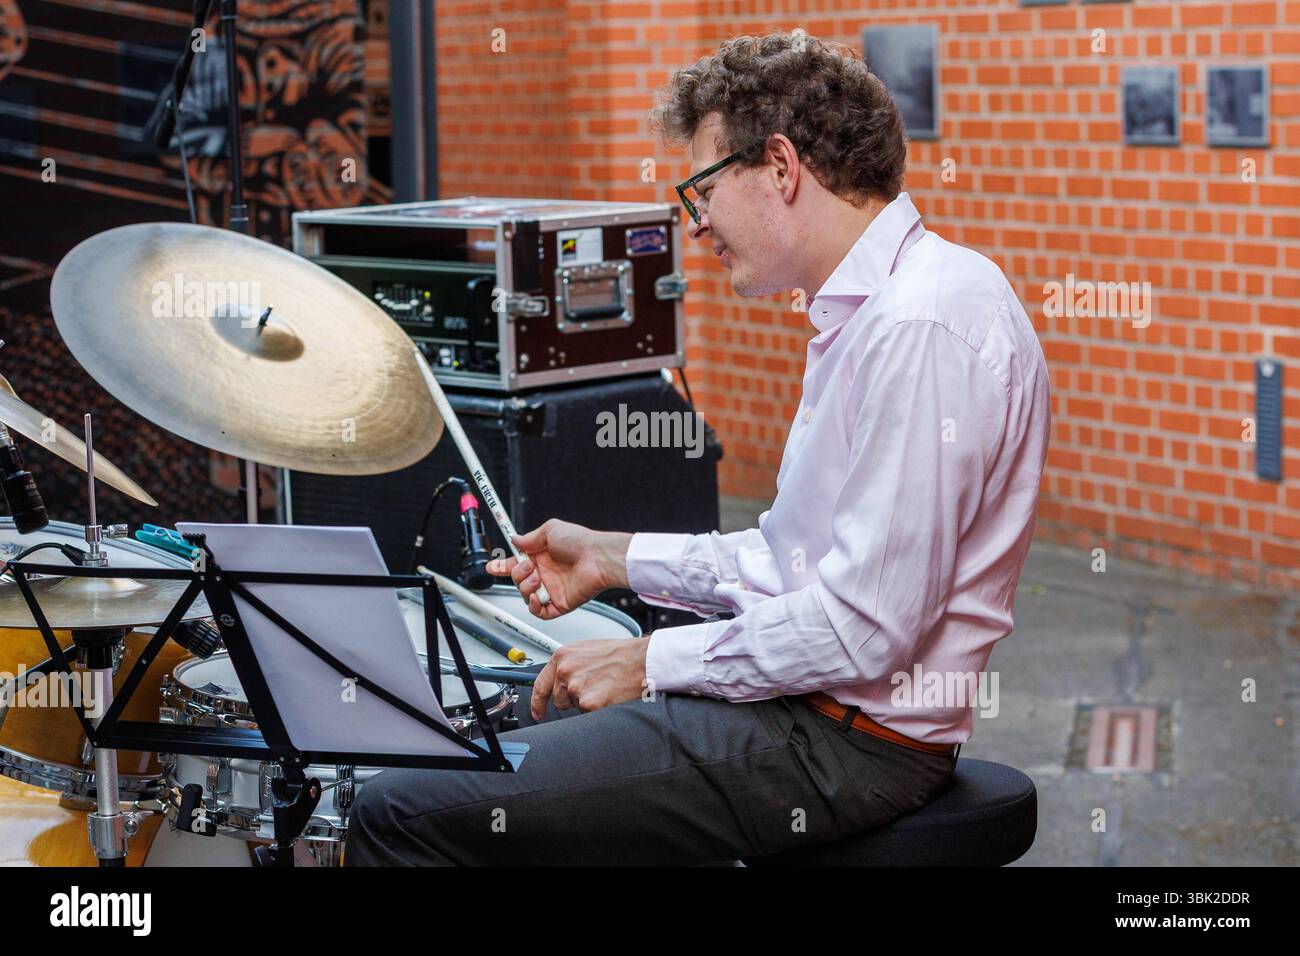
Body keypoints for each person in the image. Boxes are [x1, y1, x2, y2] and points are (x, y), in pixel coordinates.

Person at [344, 31, 1050, 866]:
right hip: (816, 715)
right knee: (506, 725)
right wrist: (615, 558)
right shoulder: (875, 310)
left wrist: (650, 660)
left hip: (843, 746)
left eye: (703, 187)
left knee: (400, 808)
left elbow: (863, 630)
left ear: (780, 167)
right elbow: (801, 565)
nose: (697, 221)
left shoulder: (919, 324)